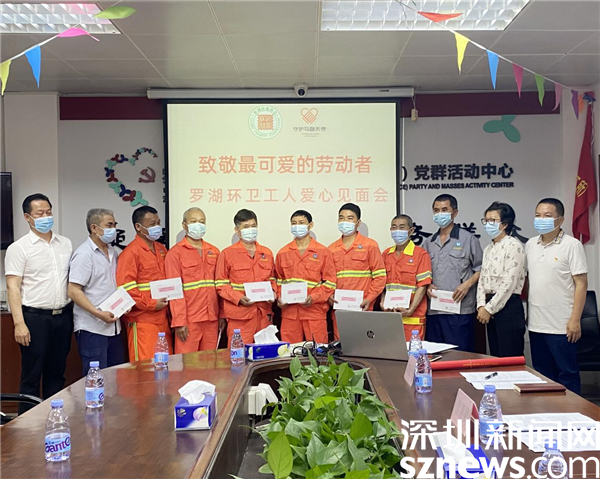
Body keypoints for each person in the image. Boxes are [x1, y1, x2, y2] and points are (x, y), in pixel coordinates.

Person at [4, 193, 73, 412]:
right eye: (40, 213)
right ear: (28, 217)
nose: (46, 217)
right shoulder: (19, 248)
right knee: (32, 375)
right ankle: (28, 425)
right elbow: (13, 287)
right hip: (34, 318)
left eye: (48, 212)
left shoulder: (65, 243)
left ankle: (55, 418)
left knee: (57, 372)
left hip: (62, 316)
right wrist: (19, 324)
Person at [526, 198, 588, 394]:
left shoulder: (572, 245)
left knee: (567, 373)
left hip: (562, 325)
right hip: (536, 323)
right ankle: (548, 411)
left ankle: (574, 411)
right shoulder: (530, 244)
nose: (541, 219)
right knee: (543, 375)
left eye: (547, 216)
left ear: (560, 220)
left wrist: (575, 320)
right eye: (538, 215)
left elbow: (581, 284)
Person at [423, 194, 483, 352]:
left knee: (460, 355)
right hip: (434, 310)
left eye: (444, 210)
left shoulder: (468, 239)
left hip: (459, 310)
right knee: (436, 356)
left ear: (454, 213)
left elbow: (481, 269)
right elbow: (422, 273)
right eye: (436, 210)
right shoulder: (428, 242)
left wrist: (467, 285)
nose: (439, 214)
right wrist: (427, 285)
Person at [68, 208, 124, 375]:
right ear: (94, 228)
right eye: (109, 225)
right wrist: (98, 313)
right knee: (96, 379)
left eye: (114, 225)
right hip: (92, 328)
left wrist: (124, 305)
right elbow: (73, 290)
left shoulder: (113, 252)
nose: (113, 229)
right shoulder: (84, 254)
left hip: (114, 326)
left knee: (115, 377)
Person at [116, 205, 172, 362]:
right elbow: (126, 289)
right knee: (145, 366)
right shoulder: (130, 253)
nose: (157, 227)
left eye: (158, 222)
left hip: (163, 318)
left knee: (164, 364)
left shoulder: (161, 249)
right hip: (142, 320)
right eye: (152, 224)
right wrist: (152, 304)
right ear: (138, 227)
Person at [165, 207, 223, 353]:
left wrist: (222, 314)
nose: (198, 225)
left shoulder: (214, 251)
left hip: (212, 318)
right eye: (193, 221)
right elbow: (174, 291)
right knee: (187, 362)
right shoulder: (175, 253)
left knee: (210, 361)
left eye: (202, 221)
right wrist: (179, 321)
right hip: (189, 320)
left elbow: (220, 286)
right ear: (184, 225)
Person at [216, 209, 276, 345]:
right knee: (240, 355)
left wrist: (273, 292)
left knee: (265, 354)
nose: (251, 230)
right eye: (246, 226)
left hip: (263, 315)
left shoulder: (266, 253)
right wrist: (238, 298)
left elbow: (272, 279)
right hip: (240, 317)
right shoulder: (227, 254)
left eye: (253, 226)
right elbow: (221, 285)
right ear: (237, 231)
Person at [275, 210, 337, 344]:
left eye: (301, 223)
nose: (297, 226)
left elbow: (330, 282)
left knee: (318, 351)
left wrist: (314, 297)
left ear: (310, 225)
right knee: (290, 352)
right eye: (294, 223)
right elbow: (278, 280)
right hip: (290, 312)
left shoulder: (323, 252)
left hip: (314, 311)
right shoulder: (282, 253)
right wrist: (280, 297)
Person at [328, 203, 386, 339]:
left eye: (350, 218)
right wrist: (329, 295)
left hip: (363, 307)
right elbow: (327, 279)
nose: (345, 222)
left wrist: (369, 299)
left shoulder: (370, 245)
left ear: (358, 222)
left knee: (363, 346)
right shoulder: (331, 249)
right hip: (340, 308)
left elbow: (380, 277)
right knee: (340, 347)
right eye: (341, 218)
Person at [476, 202, 526, 357]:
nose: (487, 224)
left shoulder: (514, 246)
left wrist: (489, 309)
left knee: (509, 356)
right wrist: (481, 305)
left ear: (504, 224)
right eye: (486, 220)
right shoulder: (488, 248)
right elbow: (482, 279)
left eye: (492, 220)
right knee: (495, 355)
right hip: (489, 307)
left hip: (508, 306)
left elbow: (509, 283)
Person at [381, 214, 432, 341]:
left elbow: (423, 285)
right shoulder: (386, 254)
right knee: (390, 350)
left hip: (412, 318)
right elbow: (382, 283)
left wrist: (411, 309)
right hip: (391, 316)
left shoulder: (420, 254)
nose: (397, 230)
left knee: (412, 351)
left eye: (402, 227)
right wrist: (382, 302)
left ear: (411, 231)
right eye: (394, 227)